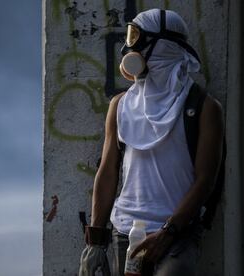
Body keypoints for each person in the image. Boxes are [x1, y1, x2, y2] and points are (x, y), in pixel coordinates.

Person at [82, 9, 224, 276]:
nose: (128, 47)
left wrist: (168, 232)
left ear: (163, 47)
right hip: (124, 233)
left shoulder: (204, 107)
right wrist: (95, 242)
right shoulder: (120, 105)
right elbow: (108, 171)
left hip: (176, 237)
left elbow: (206, 180)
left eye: (135, 37)